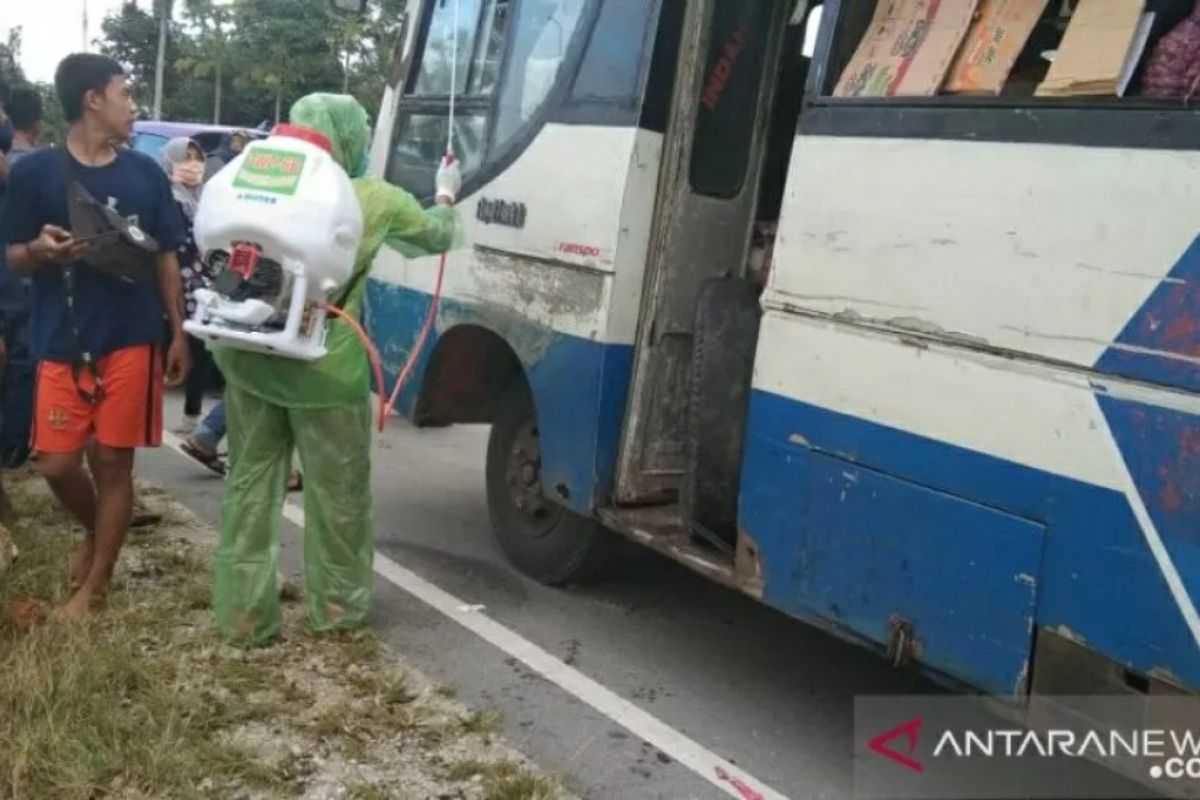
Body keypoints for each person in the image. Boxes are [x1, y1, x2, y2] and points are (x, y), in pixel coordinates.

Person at [212, 93, 460, 646]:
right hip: (327, 369)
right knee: (338, 496)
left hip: (249, 357)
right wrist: (446, 193)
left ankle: (243, 617)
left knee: (250, 487)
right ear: (348, 138)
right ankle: (337, 610)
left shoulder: (253, 178)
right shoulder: (368, 196)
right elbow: (437, 235)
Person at [3, 54, 189, 619]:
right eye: (124, 93)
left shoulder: (145, 174)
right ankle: (97, 533)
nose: (131, 105)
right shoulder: (35, 175)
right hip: (60, 338)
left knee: (113, 464)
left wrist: (178, 332)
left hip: (131, 337)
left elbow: (165, 257)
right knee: (58, 465)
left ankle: (97, 588)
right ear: (92, 100)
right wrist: (40, 250)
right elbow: (12, 255)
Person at [156, 137, 214, 434]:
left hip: (202, 281)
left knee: (200, 347)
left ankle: (192, 413)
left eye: (196, 157)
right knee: (164, 341)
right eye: (185, 157)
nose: (192, 164)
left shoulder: (208, 196)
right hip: (171, 278)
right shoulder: (165, 196)